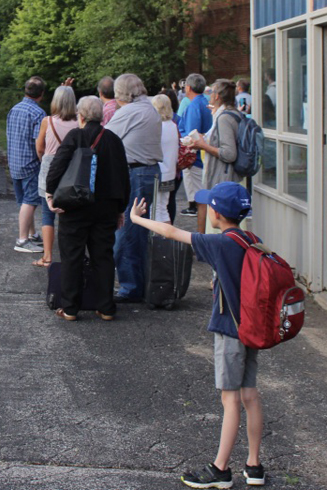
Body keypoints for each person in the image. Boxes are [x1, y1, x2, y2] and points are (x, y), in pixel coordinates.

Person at [130, 182, 265, 489]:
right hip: (253, 328)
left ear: (217, 212)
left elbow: (171, 233)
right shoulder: (250, 239)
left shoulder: (220, 243)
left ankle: (220, 470)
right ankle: (254, 466)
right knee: (250, 396)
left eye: (210, 207)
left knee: (230, 399)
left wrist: (137, 219)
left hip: (230, 330)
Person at [45, 96, 130, 321]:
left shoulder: (75, 136)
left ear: (80, 116)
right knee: (103, 255)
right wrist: (121, 208)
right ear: (101, 116)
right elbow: (123, 176)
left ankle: (71, 307)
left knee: (72, 255)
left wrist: (50, 193)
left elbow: (57, 166)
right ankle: (106, 307)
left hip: (75, 205)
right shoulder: (113, 139)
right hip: (106, 207)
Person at [106, 73, 162, 302]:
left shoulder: (130, 111)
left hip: (136, 174)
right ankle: (139, 283)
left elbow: (106, 136)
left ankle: (131, 288)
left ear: (122, 94)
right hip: (148, 172)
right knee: (139, 232)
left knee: (127, 232)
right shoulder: (149, 108)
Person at [34, 86, 80, 267]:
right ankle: (69, 255)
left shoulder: (47, 121)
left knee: (47, 214)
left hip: (49, 168)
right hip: (71, 169)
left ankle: (47, 256)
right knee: (70, 213)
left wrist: (45, 160)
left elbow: (39, 146)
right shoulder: (78, 123)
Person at [6, 76, 46, 254]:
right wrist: (43, 161)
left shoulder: (14, 109)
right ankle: (22, 240)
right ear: (41, 94)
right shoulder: (38, 114)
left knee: (23, 202)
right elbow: (39, 144)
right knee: (29, 202)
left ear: (25, 90)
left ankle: (32, 234)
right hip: (30, 164)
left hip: (14, 162)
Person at [179, 73, 213, 217]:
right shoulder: (206, 102)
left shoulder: (194, 106)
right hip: (204, 155)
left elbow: (191, 136)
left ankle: (202, 233)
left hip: (196, 158)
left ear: (188, 87)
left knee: (201, 199)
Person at [151, 93, 180, 223]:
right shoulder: (173, 125)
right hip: (170, 172)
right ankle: (166, 238)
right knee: (163, 208)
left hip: (158, 172)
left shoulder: (157, 127)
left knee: (155, 208)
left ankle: (157, 239)